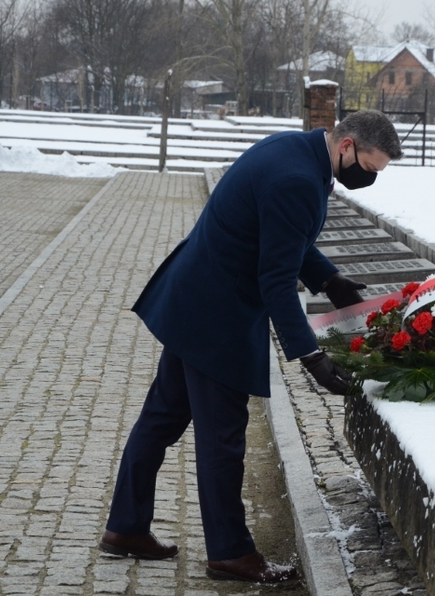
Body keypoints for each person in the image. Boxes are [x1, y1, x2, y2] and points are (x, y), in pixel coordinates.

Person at [98, 110, 403, 582]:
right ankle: (230, 553)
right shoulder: (300, 178)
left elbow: (283, 234)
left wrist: (329, 278)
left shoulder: (296, 149)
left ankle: (125, 527)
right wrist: (311, 355)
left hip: (192, 297)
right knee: (222, 439)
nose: (371, 179)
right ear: (347, 146)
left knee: (160, 420)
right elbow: (275, 280)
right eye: (371, 167)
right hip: (217, 315)